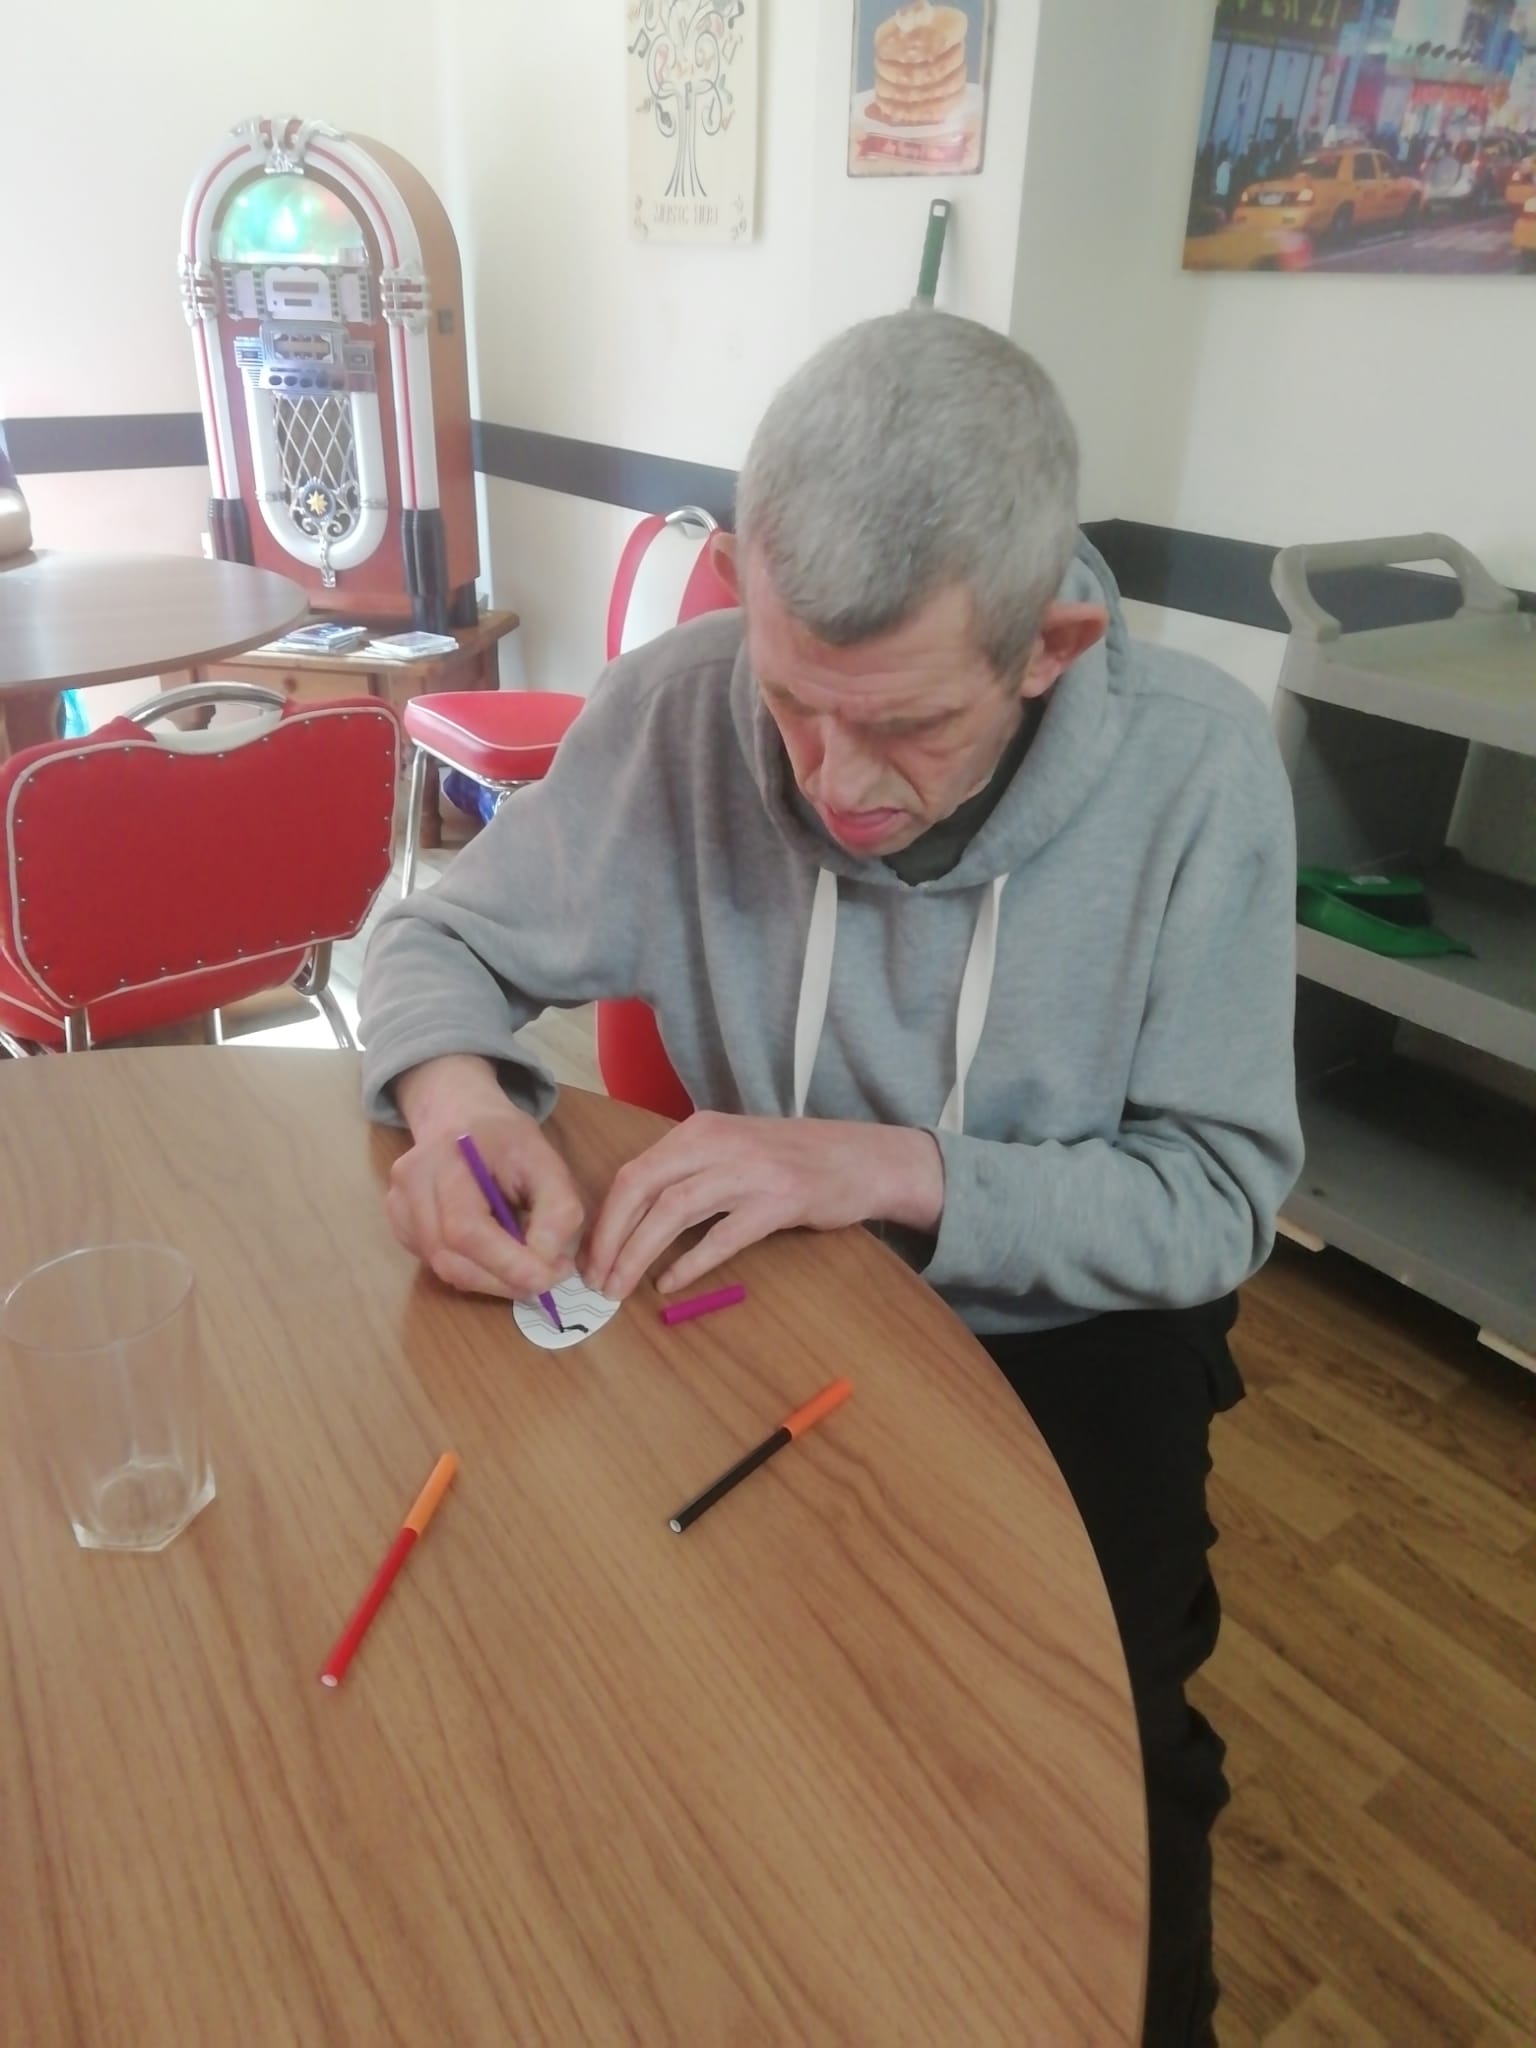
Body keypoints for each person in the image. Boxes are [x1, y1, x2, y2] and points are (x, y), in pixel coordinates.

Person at [359, 311, 1303, 2047]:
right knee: (719, 1691)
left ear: (1052, 647)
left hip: (1076, 1329)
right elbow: (432, 943)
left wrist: (886, 1169)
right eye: (793, 702)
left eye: (907, 724)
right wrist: (454, 1103)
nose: (834, 783)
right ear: (742, 591)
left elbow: (1216, 1198)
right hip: (770, 1290)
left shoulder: (1199, 774)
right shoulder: (678, 707)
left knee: (1102, 1764)